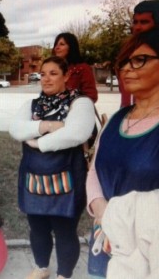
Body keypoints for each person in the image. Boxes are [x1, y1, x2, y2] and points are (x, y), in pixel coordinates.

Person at [9, 56, 95, 279]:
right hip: (34, 179)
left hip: (67, 179)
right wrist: (49, 125)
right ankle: (41, 268)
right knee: (37, 228)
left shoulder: (81, 102)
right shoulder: (31, 104)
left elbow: (77, 133)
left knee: (65, 231)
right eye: (43, 74)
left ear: (66, 76)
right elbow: (16, 129)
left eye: (53, 73)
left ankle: (63, 275)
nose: (46, 79)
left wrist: (38, 142)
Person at [86, 28, 159, 278]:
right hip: (104, 241)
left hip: (146, 254)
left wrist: (116, 220)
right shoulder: (116, 118)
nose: (127, 68)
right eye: (124, 62)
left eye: (139, 60)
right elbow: (95, 168)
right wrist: (101, 211)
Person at [119, 0, 159, 107]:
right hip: (130, 111)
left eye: (144, 22)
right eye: (135, 22)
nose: (137, 27)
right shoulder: (128, 48)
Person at [52, 32, 98, 103]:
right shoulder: (54, 68)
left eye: (62, 44)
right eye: (56, 44)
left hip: (76, 111)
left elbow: (91, 96)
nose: (57, 47)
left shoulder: (83, 68)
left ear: (71, 47)